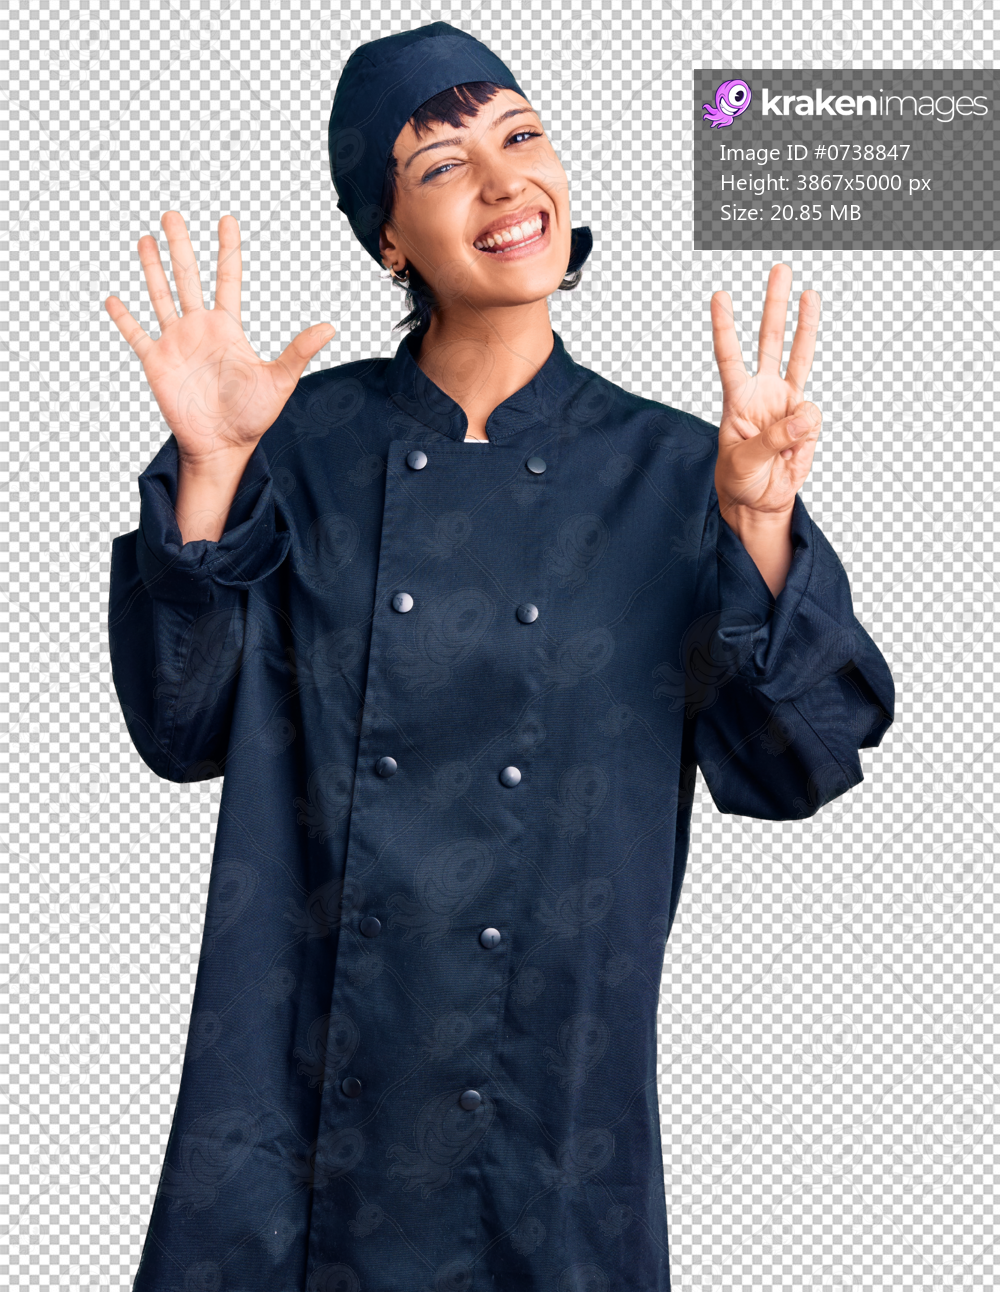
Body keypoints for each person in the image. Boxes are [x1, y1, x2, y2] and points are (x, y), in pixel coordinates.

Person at [104, 21, 894, 1292]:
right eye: (439, 165)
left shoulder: (677, 469)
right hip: (294, 1106)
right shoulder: (293, 440)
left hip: (544, 1116)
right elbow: (179, 723)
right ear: (388, 238)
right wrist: (207, 472)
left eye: (520, 135)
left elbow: (799, 760)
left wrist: (757, 524)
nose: (501, 179)